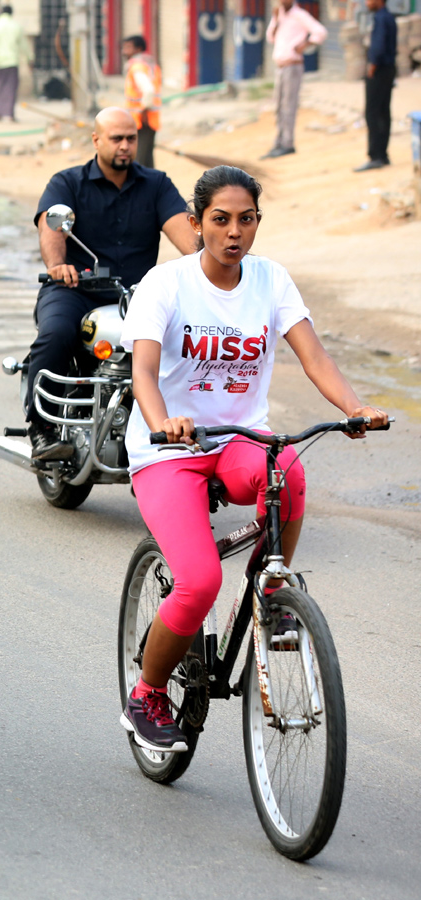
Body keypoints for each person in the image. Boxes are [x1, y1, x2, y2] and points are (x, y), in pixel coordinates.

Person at [117, 165, 388, 752]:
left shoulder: (270, 280)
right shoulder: (166, 284)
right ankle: (147, 692)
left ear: (258, 222)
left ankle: (270, 592)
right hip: (169, 449)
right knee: (197, 583)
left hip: (239, 438)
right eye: (220, 220)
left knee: (287, 472)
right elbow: (141, 370)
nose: (233, 232)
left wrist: (355, 407)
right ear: (195, 224)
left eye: (246, 220)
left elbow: (313, 355)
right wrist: (164, 420)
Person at [30, 107, 197, 461]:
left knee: (187, 342)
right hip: (74, 289)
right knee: (56, 334)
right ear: (96, 140)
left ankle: (175, 434)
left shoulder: (156, 184)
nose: (125, 146)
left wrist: (211, 263)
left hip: (137, 297)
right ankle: (41, 429)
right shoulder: (67, 182)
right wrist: (58, 266)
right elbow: (51, 225)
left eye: (131, 138)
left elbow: (185, 231)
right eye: (116, 138)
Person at [262, 0, 327, 160]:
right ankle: (278, 142)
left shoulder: (300, 15)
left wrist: (305, 44)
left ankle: (287, 144)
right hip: (280, 67)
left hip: (293, 66)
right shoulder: (279, 15)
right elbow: (270, 37)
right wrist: (276, 20)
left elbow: (320, 32)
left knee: (288, 106)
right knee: (278, 106)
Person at [355, 0, 397, 172]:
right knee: (383, 112)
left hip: (378, 71)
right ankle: (383, 155)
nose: (367, 2)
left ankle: (376, 156)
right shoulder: (388, 17)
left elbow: (378, 47)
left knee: (373, 113)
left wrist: (372, 67)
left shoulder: (380, 18)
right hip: (387, 70)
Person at [122, 34, 160, 168]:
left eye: (128, 48)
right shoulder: (149, 64)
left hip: (142, 121)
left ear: (138, 49)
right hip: (148, 121)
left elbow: (148, 90)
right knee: (147, 161)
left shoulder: (137, 67)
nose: (124, 51)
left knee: (139, 162)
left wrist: (144, 110)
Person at [0, 5, 26, 122]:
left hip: (0, 62)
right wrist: (30, 58)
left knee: (0, 87)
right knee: (11, 88)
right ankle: (9, 114)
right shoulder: (16, 26)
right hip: (12, 61)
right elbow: (24, 45)